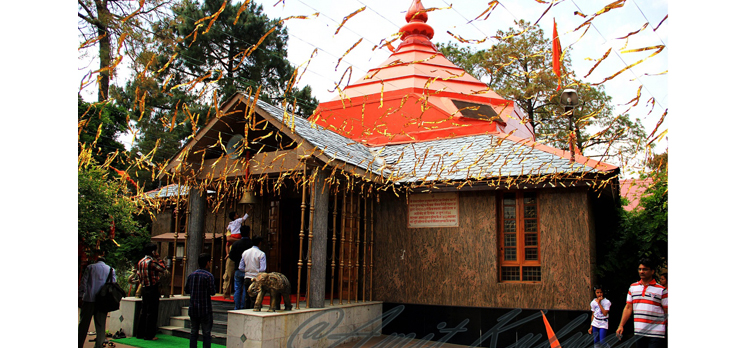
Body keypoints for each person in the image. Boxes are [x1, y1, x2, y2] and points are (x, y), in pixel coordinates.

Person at [616, 258, 668, 348]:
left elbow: (666, 310)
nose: (641, 271)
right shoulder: (633, 287)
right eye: (640, 269)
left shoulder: (661, 290)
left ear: (652, 271)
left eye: (645, 269)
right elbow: (628, 307)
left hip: (656, 332)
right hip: (639, 331)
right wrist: (621, 325)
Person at [78, 250, 116, 348]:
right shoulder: (110, 269)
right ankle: (99, 345)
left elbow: (84, 282)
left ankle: (79, 344)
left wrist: (80, 296)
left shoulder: (90, 268)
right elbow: (113, 284)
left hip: (89, 299)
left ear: (96, 260)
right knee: (100, 325)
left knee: (83, 324)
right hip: (102, 301)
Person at [136, 243, 168, 340]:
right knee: (152, 312)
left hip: (144, 288)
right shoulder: (152, 262)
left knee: (144, 311)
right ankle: (149, 335)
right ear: (153, 252)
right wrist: (159, 259)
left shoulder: (140, 262)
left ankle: (140, 333)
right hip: (152, 288)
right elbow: (163, 269)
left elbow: (138, 275)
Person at [185, 253, 215, 348]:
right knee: (206, 333)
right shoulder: (208, 276)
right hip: (205, 308)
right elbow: (212, 291)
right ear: (207, 263)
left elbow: (187, 290)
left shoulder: (191, 275)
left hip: (193, 308)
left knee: (193, 332)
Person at [223, 210, 249, 299]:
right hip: (232, 255)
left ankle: (240, 295)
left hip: (240, 255)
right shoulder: (232, 228)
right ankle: (226, 292)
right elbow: (228, 239)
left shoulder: (235, 227)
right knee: (229, 274)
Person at [228, 225, 255, 309]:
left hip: (237, 268)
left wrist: (237, 260)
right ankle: (243, 306)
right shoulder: (251, 244)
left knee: (237, 289)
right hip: (248, 269)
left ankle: (236, 306)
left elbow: (231, 256)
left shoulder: (236, 244)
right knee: (245, 289)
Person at [239, 236, 266, 309]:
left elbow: (241, 267)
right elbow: (262, 269)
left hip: (247, 276)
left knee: (247, 296)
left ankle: (246, 309)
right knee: (255, 297)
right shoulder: (261, 254)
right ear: (259, 243)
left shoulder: (245, 252)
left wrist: (248, 270)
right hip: (256, 278)